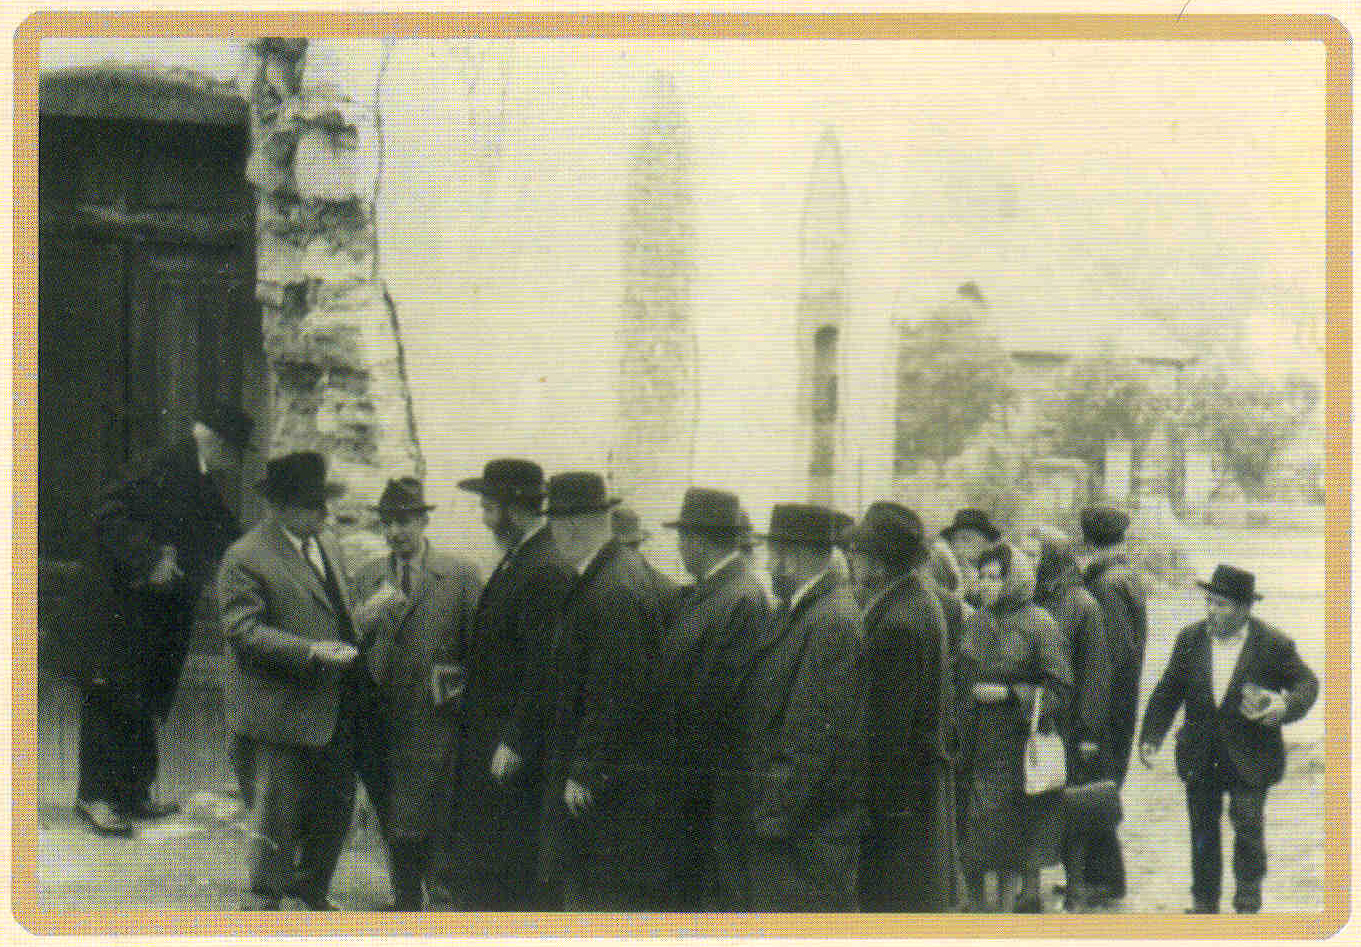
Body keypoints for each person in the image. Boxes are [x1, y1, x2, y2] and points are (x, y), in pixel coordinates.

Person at [68, 401, 253, 837]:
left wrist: (261, 555)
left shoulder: (197, 473)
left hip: (153, 610)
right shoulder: (165, 462)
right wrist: (150, 555)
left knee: (143, 696)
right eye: (234, 449)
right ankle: (95, 797)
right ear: (215, 440)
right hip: (118, 604)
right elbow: (107, 514)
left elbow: (222, 529)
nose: (236, 459)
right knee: (110, 697)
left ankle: (133, 793)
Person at [217, 451, 371, 911]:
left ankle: (312, 888)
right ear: (280, 507)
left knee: (335, 804)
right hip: (279, 709)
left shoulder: (325, 544)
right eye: (312, 505)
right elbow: (242, 631)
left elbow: (335, 612)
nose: (324, 514)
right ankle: (263, 901)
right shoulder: (245, 556)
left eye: (323, 504)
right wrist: (309, 651)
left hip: (333, 703)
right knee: (277, 810)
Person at [1137, 564, 1318, 914]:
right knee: (1203, 831)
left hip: (1252, 757)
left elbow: (1307, 683)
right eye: (1209, 602)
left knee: (1248, 828)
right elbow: (1168, 690)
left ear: (1245, 609)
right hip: (1200, 753)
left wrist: (1284, 704)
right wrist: (1152, 736)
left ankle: (1248, 902)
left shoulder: (1273, 643)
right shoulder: (1190, 638)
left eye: (1221, 605)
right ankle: (1204, 902)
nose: (1211, 611)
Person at [538, 472, 675, 910]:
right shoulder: (612, 574)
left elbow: (617, 691)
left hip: (612, 785)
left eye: (554, 524)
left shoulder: (613, 587)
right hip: (617, 777)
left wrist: (585, 770)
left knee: (602, 895)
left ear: (571, 526)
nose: (553, 535)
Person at [349, 477, 482, 910]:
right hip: (381, 717)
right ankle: (405, 902)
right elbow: (349, 646)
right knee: (391, 812)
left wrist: (453, 689)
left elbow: (477, 650)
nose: (394, 533)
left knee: (431, 815)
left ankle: (439, 899)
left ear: (423, 521)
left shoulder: (459, 576)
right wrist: (363, 622)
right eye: (387, 524)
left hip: (434, 717)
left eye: (403, 522)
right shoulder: (368, 577)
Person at [450, 459, 572, 909]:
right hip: (493, 736)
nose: (484, 518)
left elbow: (545, 667)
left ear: (514, 511)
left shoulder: (544, 568)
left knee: (508, 864)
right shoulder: (520, 558)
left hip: (513, 749)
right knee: (488, 857)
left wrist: (516, 740)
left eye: (488, 507)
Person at [742, 503, 866, 911]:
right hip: (800, 823)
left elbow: (812, 731)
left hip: (808, 832)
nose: (767, 565)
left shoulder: (831, 619)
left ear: (790, 558)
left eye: (771, 554)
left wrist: (772, 819)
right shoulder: (808, 609)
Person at [658, 487, 771, 910]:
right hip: (700, 778)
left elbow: (719, 700)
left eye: (682, 538)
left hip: (713, 782)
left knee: (713, 897)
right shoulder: (719, 589)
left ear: (696, 540)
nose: (680, 548)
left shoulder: (739, 597)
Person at [845, 502, 957, 912]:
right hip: (915, 792)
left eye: (858, 552)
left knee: (892, 907)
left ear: (880, 561)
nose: (852, 560)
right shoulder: (914, 599)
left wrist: (872, 810)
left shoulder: (898, 622)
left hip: (899, 803)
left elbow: (887, 731)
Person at [957, 542, 1071, 913]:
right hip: (971, 739)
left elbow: (1061, 688)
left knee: (1005, 836)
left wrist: (1009, 694)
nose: (987, 584)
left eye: (996, 576)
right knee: (969, 832)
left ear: (1014, 579)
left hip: (1014, 745)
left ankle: (1004, 917)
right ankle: (974, 910)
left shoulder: (1040, 623)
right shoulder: (974, 620)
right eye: (983, 576)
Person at [1032, 540, 1111, 912]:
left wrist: (1089, 733)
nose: (1032, 564)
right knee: (1047, 805)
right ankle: (1057, 885)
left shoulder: (1083, 605)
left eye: (1038, 558)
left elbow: (1096, 674)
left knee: (1074, 807)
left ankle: (1078, 888)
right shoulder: (1045, 598)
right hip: (1048, 720)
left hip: (1073, 726)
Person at [1078, 505, 1147, 903]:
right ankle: (1096, 876)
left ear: (1088, 541)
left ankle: (1104, 881)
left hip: (1106, 706)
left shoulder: (1105, 585)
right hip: (1121, 702)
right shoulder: (1128, 577)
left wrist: (1090, 723)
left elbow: (1108, 656)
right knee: (1102, 785)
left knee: (1096, 787)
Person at [928, 508, 1001, 603]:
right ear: (964, 538)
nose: (984, 549)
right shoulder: (939, 559)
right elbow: (941, 600)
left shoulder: (962, 563)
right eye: (983, 541)